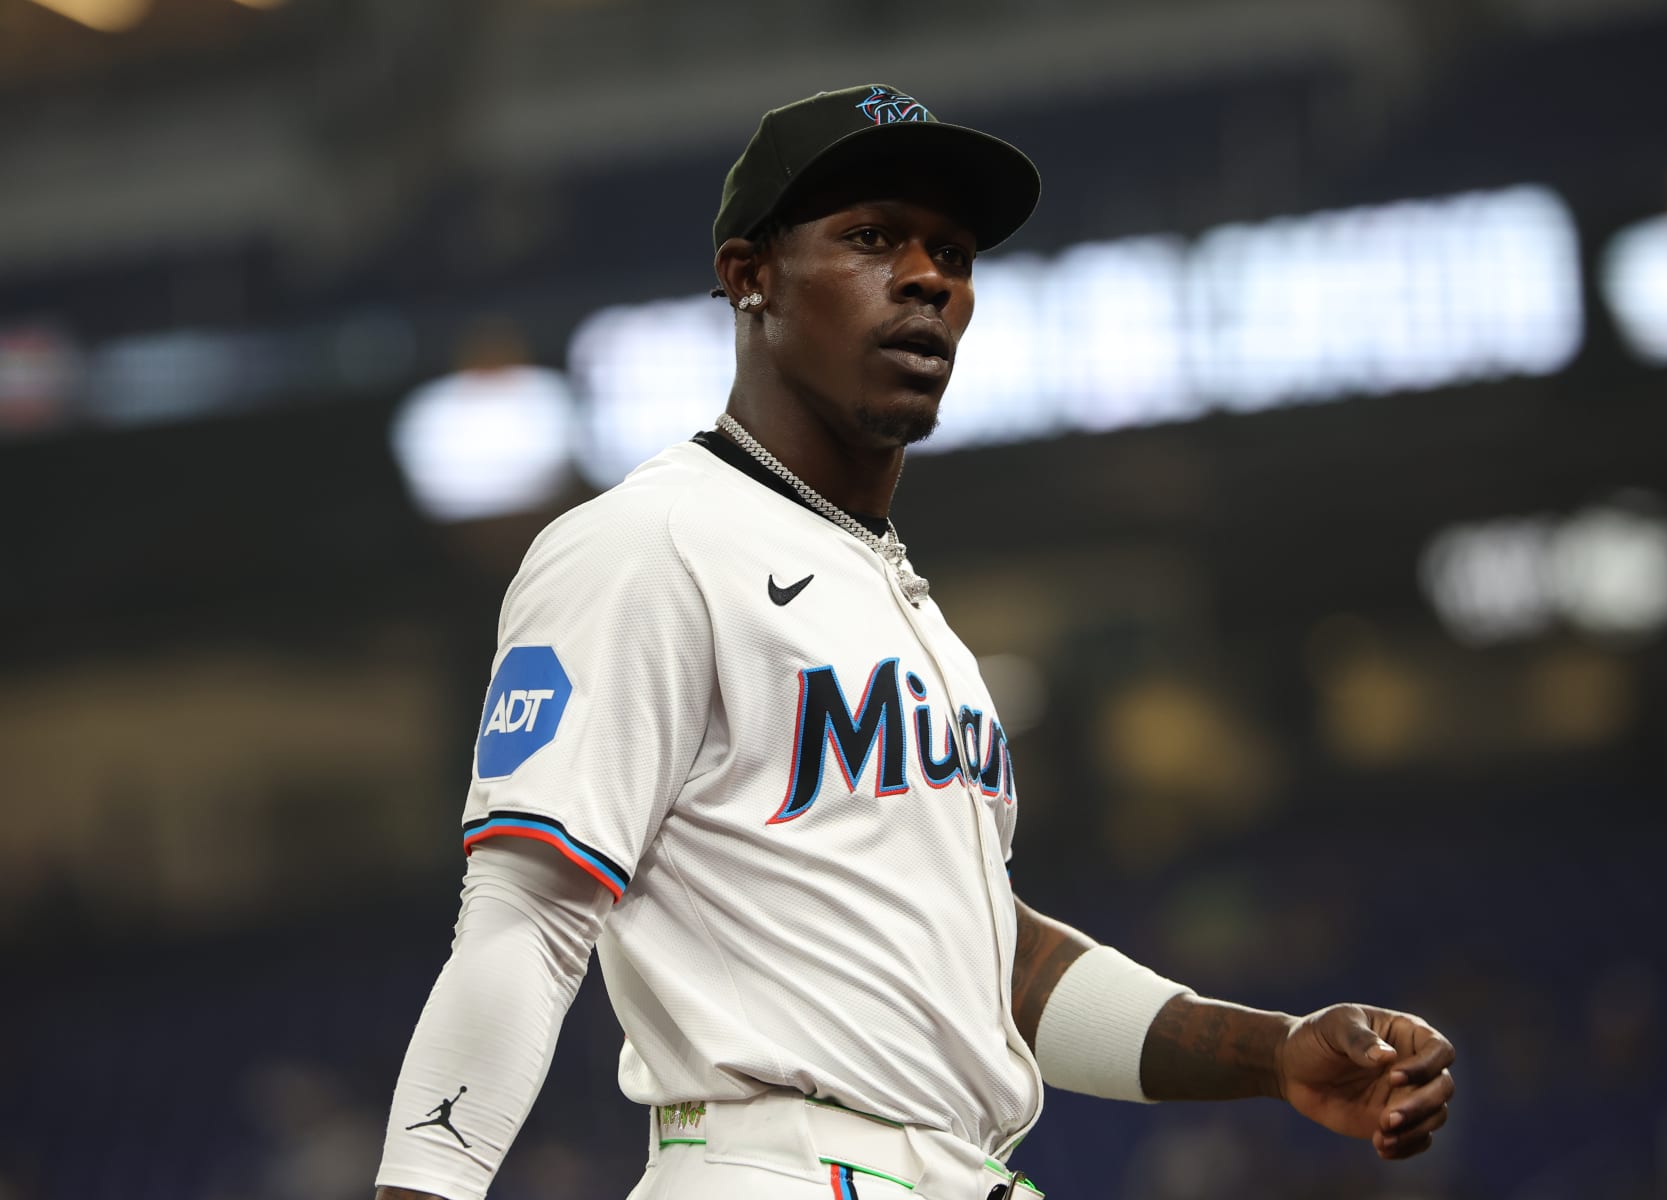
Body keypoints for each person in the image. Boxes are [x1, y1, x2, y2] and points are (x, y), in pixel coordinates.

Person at [373, 84, 1455, 1200]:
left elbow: (990, 958)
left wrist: (1272, 1056)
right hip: (776, 1166)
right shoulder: (649, 542)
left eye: (952, 249)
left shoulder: (898, 602)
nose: (929, 276)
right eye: (872, 237)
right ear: (749, 277)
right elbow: (524, 920)